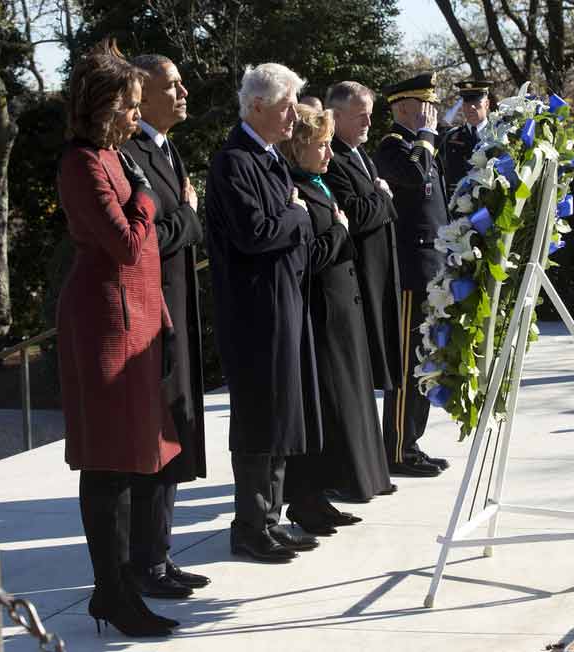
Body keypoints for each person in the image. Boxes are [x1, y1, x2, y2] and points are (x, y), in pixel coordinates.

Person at [57, 38, 179, 637]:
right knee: (107, 464)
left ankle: (123, 584)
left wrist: (165, 321)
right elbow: (128, 244)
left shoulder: (115, 157)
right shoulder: (81, 163)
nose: (138, 115)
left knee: (132, 462)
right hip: (104, 324)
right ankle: (111, 592)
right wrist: (151, 201)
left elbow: (145, 258)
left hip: (137, 321)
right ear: (105, 106)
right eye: (131, 105)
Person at [206, 63, 321, 563]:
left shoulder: (269, 157)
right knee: (258, 418)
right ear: (256, 106)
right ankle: (250, 525)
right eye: (286, 105)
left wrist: (292, 218)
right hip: (255, 311)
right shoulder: (235, 161)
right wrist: (296, 214)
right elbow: (257, 232)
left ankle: (270, 518)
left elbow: (288, 230)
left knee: (279, 417)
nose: (294, 114)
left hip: (283, 300)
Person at [279, 104, 394, 528]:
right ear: (300, 146)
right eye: (321, 145)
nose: (329, 155)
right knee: (325, 408)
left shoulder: (318, 184)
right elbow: (312, 254)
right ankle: (307, 499)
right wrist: (342, 230)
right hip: (322, 310)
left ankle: (324, 494)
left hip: (344, 307)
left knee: (343, 405)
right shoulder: (297, 187)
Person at [122, 54, 209, 599]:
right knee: (154, 438)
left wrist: (185, 217)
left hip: (176, 310)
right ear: (142, 96)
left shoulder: (166, 148)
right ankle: (144, 561)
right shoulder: (130, 153)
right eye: (170, 86)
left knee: (174, 432)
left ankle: (161, 553)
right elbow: (147, 237)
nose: (182, 92)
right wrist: (190, 216)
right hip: (151, 315)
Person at [323, 82, 402, 483]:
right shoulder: (333, 158)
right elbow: (353, 213)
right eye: (361, 115)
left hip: (378, 273)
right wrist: (383, 198)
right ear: (335, 117)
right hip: (358, 277)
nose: (370, 121)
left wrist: (378, 196)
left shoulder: (358, 152)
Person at [373, 73, 451, 477]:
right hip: (410, 271)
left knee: (424, 361)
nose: (432, 113)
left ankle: (411, 441)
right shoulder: (393, 146)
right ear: (402, 107)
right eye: (425, 105)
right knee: (407, 365)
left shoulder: (423, 145)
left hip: (431, 267)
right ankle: (397, 448)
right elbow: (414, 176)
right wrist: (425, 137)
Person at [439, 79, 493, 196]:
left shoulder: (497, 135)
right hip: (456, 206)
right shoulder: (450, 138)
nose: (471, 107)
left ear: (487, 104)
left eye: (476, 101)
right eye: (467, 102)